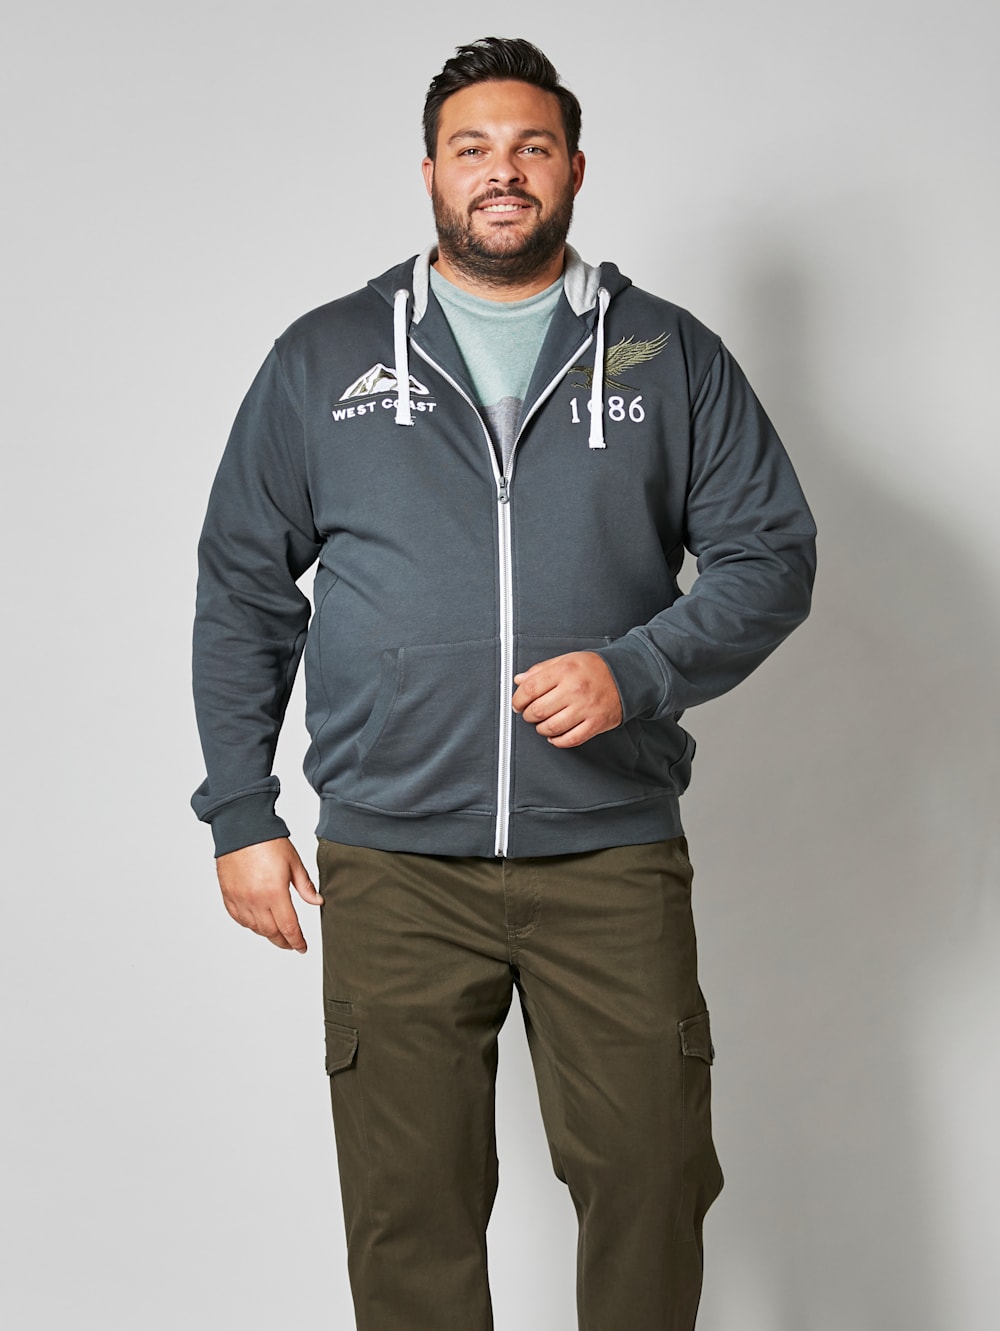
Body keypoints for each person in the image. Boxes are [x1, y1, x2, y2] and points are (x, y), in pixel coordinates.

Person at [191, 35, 816, 1331]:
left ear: (575, 168)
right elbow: (245, 585)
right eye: (471, 148)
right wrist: (242, 813)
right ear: (428, 172)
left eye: (532, 146)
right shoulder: (326, 358)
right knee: (409, 1213)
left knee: (651, 1181)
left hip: (609, 855)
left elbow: (772, 554)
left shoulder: (665, 353)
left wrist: (640, 670)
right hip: (394, 868)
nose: (502, 171)